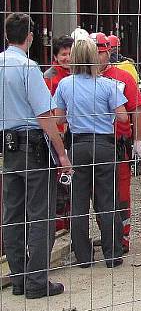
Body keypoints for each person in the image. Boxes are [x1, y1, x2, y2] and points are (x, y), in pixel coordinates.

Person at [0, 13, 71, 299]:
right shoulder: (28, 68)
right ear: (30, 37)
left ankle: (18, 278)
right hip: (32, 144)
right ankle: (37, 281)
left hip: (8, 146)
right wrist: (62, 153)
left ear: (7, 36)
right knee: (40, 214)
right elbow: (45, 114)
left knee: (13, 214)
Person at [54, 39, 128, 269]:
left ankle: (83, 257)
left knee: (78, 202)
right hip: (104, 144)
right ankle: (113, 254)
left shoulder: (66, 85)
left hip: (77, 145)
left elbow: (58, 118)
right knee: (107, 201)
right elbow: (123, 116)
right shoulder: (107, 85)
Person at [92, 32, 141, 253]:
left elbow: (137, 108)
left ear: (108, 52)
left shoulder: (122, 78)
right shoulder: (81, 79)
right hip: (95, 143)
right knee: (98, 195)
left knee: (121, 193)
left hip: (119, 144)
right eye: (95, 52)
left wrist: (138, 140)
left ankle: (122, 237)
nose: (99, 57)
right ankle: (108, 234)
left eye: (102, 52)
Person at [43, 35, 74, 233]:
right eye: (63, 54)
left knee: (71, 178)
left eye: (70, 53)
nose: (67, 57)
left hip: (73, 133)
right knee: (59, 178)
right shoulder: (50, 76)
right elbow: (46, 108)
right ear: (56, 56)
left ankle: (69, 221)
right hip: (57, 133)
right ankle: (59, 223)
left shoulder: (77, 73)